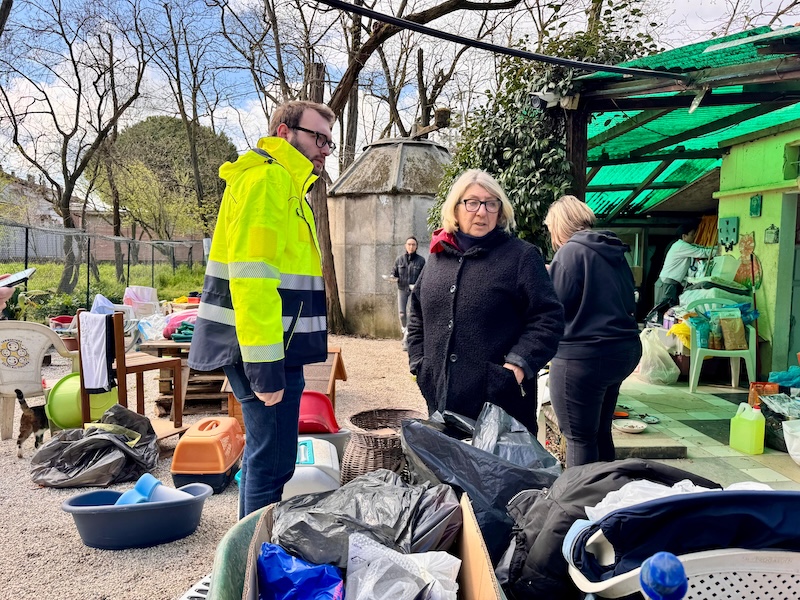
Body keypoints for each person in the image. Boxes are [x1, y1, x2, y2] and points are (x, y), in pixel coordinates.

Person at [188, 100, 335, 518]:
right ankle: (252, 564)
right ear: (284, 133)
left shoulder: (286, 186)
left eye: (329, 141)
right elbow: (252, 281)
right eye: (318, 138)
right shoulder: (268, 180)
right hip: (263, 348)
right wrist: (265, 366)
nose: (325, 149)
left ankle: (252, 558)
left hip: (274, 345)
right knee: (271, 465)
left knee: (272, 460)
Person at [406, 169, 564, 434]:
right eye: (472, 202)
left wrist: (515, 367)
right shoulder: (437, 257)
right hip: (441, 405)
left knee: (500, 475)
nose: (481, 212)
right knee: (446, 474)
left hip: (500, 409)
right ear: (455, 209)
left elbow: (548, 318)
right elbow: (417, 313)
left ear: (500, 211)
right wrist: (420, 364)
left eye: (491, 204)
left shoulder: (521, 257)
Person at [544, 195, 642, 467]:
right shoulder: (612, 249)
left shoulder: (569, 252)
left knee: (579, 438)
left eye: (551, 228)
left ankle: (581, 505)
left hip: (585, 357)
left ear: (559, 224)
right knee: (599, 431)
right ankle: (605, 496)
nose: (552, 235)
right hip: (622, 350)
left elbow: (554, 310)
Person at [653, 222, 714, 308]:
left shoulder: (684, 245)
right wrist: (719, 252)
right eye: (692, 235)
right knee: (663, 310)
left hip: (669, 282)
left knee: (668, 309)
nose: (694, 237)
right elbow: (702, 253)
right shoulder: (681, 246)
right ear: (684, 236)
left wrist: (716, 248)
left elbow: (702, 248)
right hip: (667, 283)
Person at [391, 236, 425, 350]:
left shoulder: (421, 261)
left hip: (415, 291)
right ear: (405, 246)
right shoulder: (399, 259)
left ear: (416, 247)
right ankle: (405, 332)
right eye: (409, 244)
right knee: (402, 314)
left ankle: (406, 339)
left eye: (413, 244)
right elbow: (394, 273)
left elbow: (424, 277)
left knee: (411, 314)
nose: (411, 246)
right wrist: (392, 278)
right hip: (402, 289)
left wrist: (418, 286)